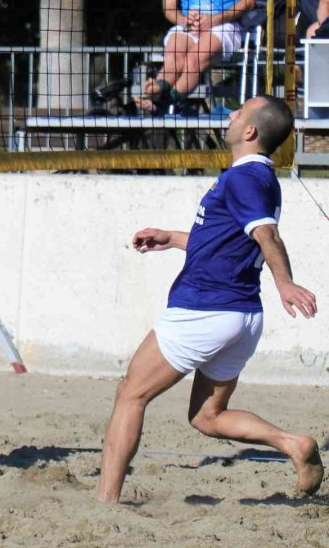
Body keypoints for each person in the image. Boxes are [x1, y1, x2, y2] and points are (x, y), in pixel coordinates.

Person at [96, 94, 323, 503]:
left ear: (250, 131)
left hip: (205, 310)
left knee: (130, 393)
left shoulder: (244, 178)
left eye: (239, 113)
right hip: (242, 317)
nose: (231, 116)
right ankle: (293, 444)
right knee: (207, 416)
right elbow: (227, 239)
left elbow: (266, 235)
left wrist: (285, 283)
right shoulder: (255, 178)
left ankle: (106, 503)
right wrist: (172, 238)